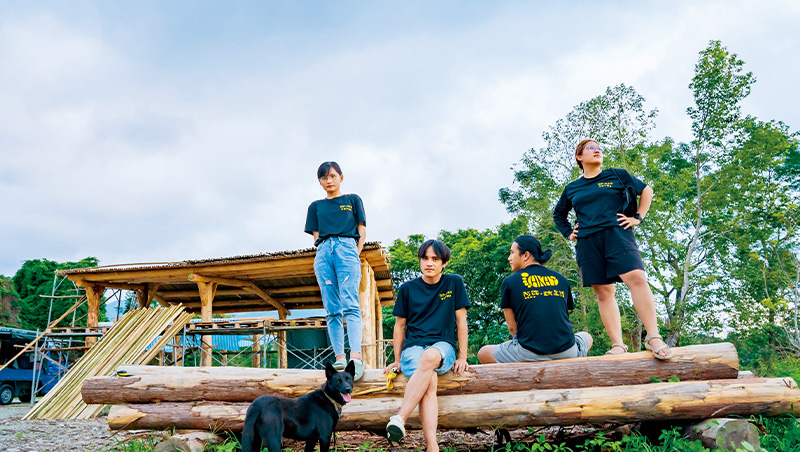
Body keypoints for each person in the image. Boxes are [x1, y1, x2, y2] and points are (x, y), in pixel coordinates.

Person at [553, 139, 673, 359]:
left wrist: (638, 217)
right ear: (579, 157)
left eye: (599, 147)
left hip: (618, 234)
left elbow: (646, 190)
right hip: (588, 241)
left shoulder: (617, 175)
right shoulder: (572, 188)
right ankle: (618, 344)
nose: (597, 149)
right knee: (603, 292)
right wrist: (569, 232)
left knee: (637, 277)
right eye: (591, 148)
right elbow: (559, 215)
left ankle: (653, 337)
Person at [383, 239, 470, 452]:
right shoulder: (407, 289)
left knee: (430, 357)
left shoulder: (454, 283)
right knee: (429, 378)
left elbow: (461, 322)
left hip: (443, 347)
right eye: (425, 258)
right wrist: (396, 359)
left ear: (444, 263)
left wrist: (463, 356)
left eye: (435, 259)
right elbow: (399, 327)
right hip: (413, 347)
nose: (429, 263)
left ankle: (400, 417)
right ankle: (433, 447)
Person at [477, 235, 592, 363]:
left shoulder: (509, 282)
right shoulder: (561, 279)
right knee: (586, 336)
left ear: (525, 255)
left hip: (529, 354)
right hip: (567, 351)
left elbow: (512, 329)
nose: (509, 258)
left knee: (483, 353)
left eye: (512, 253)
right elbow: (562, 317)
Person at [305, 161, 367, 380]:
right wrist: (323, 247)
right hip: (324, 251)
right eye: (324, 178)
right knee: (332, 308)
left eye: (332, 176)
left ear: (341, 176)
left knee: (350, 303)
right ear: (320, 182)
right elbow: (316, 234)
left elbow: (362, 230)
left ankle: (355, 356)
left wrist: (354, 252)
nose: (328, 181)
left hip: (347, 248)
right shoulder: (315, 206)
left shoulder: (352, 200)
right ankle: (340, 356)